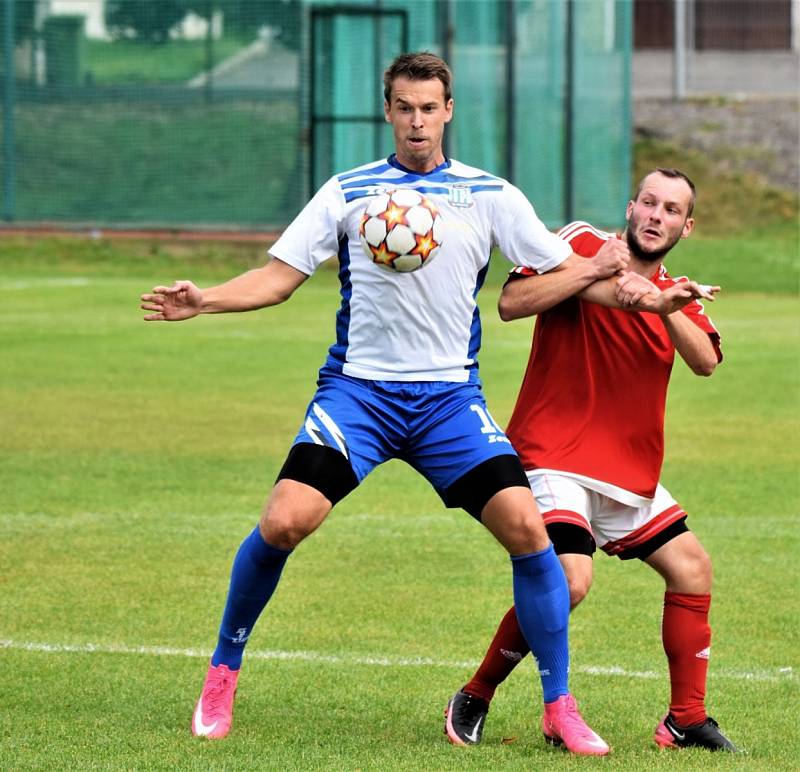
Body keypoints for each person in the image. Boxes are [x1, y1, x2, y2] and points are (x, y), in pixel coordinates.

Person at [140, 52, 694, 754]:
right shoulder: (350, 192)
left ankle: (560, 706)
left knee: (531, 536)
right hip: (359, 396)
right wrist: (206, 300)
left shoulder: (490, 194)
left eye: (429, 108)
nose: (417, 121)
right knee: (284, 522)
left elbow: (570, 282)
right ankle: (223, 669)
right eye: (405, 107)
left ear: (448, 111)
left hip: (447, 404)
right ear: (389, 111)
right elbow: (278, 279)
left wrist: (648, 296)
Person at [443, 168, 738, 753]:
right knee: (570, 582)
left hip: (626, 469)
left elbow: (704, 360)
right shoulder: (577, 244)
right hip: (553, 455)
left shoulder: (680, 291)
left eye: (672, 210)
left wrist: (661, 305)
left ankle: (685, 718)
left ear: (686, 225)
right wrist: (597, 275)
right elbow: (510, 301)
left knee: (692, 569)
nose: (657, 215)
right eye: (649, 203)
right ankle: (476, 694)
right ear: (631, 208)